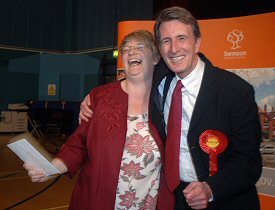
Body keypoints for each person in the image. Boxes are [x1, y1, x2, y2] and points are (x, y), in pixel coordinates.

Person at [80, 6, 262, 210]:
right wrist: (93, 99)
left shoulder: (234, 91)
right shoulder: (161, 80)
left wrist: (211, 188)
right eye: (166, 41)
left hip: (224, 201)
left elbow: (249, 162)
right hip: (175, 199)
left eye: (182, 38)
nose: (174, 49)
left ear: (197, 43)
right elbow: (130, 80)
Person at [23, 30, 174, 210]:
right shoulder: (100, 96)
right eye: (126, 49)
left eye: (140, 47)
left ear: (156, 58)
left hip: (150, 201)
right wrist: (51, 168)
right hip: (99, 200)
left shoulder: (169, 98)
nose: (131, 52)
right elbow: (78, 145)